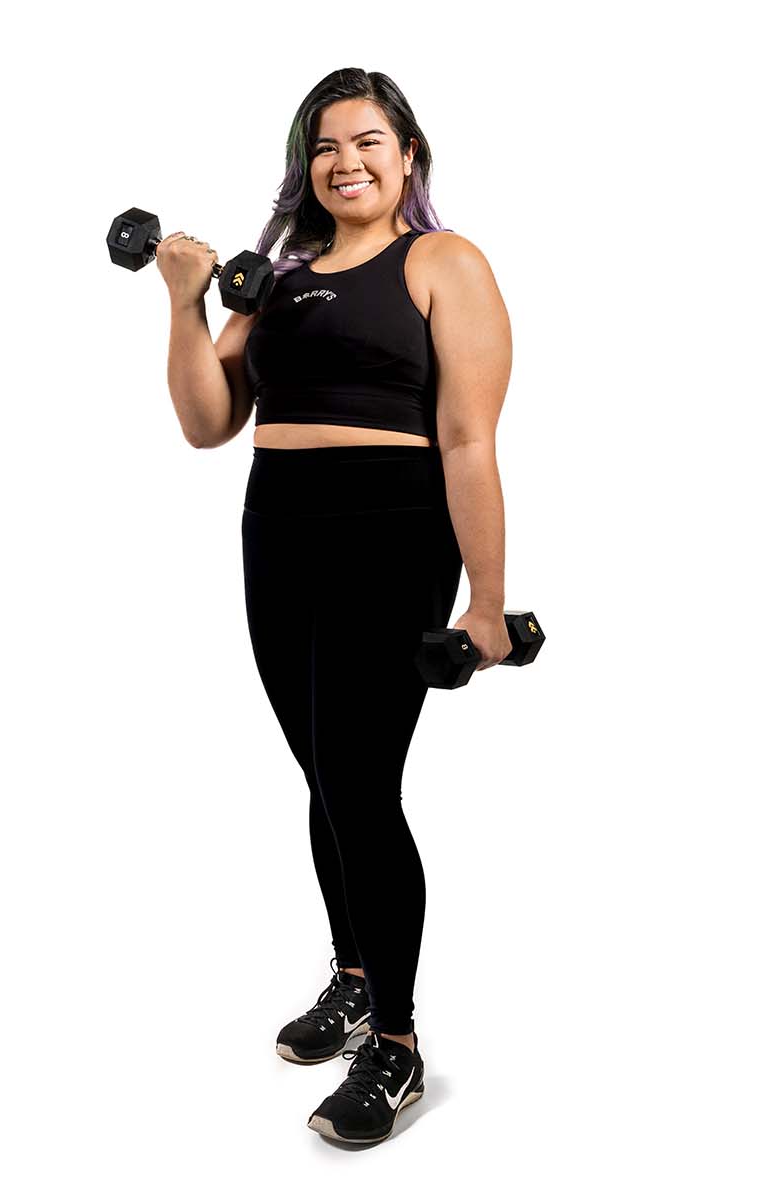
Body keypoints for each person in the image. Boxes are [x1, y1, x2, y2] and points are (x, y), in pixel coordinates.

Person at [156, 68, 512, 1146]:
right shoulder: (277, 277)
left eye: (367, 140)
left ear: (407, 155)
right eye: (323, 146)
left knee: (359, 784)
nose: (344, 160)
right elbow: (208, 422)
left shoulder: (442, 262)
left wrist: (488, 602)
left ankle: (395, 1049)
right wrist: (182, 302)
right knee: (322, 767)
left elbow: (466, 438)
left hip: (391, 526)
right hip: (280, 525)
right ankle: (352, 976)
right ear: (302, 166)